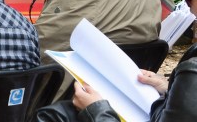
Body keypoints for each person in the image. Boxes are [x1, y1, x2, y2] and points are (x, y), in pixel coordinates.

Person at [35, 50, 197, 121]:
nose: (187, 6)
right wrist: (170, 88)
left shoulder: (192, 70)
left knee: (59, 114)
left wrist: (95, 110)